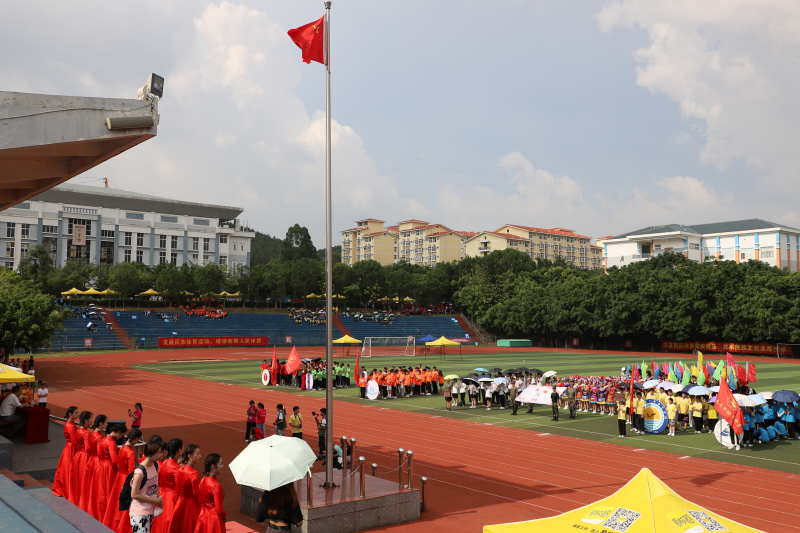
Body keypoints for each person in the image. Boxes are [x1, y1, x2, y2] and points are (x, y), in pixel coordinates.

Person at [103, 428, 141, 531]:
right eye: (138, 440)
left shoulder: (122, 448)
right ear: (135, 438)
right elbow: (132, 471)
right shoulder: (131, 452)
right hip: (127, 479)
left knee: (117, 500)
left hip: (120, 477)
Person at [89, 423, 125, 520]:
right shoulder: (111, 442)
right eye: (121, 435)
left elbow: (99, 454)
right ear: (118, 432)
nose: (121, 437)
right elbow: (114, 460)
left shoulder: (104, 438)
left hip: (102, 466)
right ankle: (108, 513)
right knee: (109, 490)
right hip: (109, 468)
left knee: (102, 490)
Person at [129, 441, 164, 533]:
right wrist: (154, 500)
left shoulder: (155, 465)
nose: (160, 455)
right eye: (158, 452)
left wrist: (159, 499)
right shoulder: (139, 472)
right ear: (151, 453)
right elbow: (134, 495)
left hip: (150, 511)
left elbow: (155, 484)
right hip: (139, 512)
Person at [169, 444, 202, 533]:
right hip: (191, 506)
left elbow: (177, 489)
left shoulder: (180, 469)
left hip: (179, 504)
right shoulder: (194, 473)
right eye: (198, 454)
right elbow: (196, 495)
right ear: (190, 456)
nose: (200, 456)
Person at [153, 438, 183, 533]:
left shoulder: (163, 463)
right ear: (179, 450)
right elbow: (178, 489)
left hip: (161, 495)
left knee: (159, 522)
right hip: (172, 498)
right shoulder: (176, 467)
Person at [52, 406, 79, 500]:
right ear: (70, 414)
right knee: (69, 468)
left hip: (69, 448)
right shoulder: (71, 425)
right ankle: (68, 489)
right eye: (76, 413)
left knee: (66, 468)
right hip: (71, 449)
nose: (78, 415)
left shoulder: (69, 423)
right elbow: (74, 441)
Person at [80, 414, 106, 511]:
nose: (107, 424)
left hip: (91, 460)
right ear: (101, 423)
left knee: (90, 483)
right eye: (106, 422)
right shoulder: (99, 437)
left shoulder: (92, 433)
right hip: (97, 461)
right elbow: (100, 453)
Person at [195, 454, 226, 533]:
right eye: (221, 463)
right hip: (214, 520)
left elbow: (200, 500)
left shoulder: (203, 480)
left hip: (203, 516)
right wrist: (225, 515)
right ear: (213, 466)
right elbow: (219, 511)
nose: (223, 466)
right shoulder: (216, 485)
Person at [70, 411, 93, 505]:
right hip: (85, 456)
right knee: (84, 478)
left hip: (78, 455)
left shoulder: (78, 430)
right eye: (91, 419)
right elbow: (88, 448)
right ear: (86, 420)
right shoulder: (86, 433)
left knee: (78, 477)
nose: (92, 420)